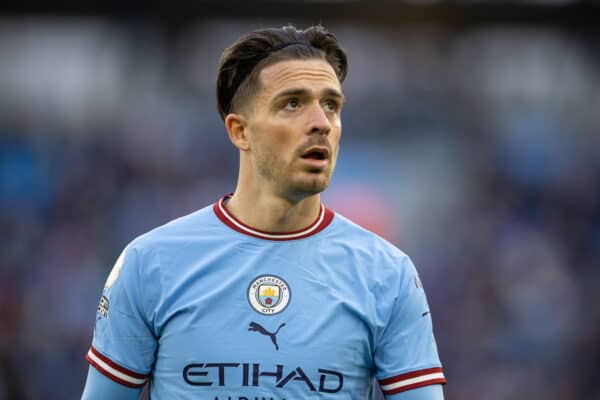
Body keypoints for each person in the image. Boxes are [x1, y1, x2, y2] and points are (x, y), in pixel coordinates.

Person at [81, 25, 446, 400]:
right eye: (292, 103)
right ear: (240, 131)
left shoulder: (387, 274)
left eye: (331, 105)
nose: (321, 122)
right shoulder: (150, 263)